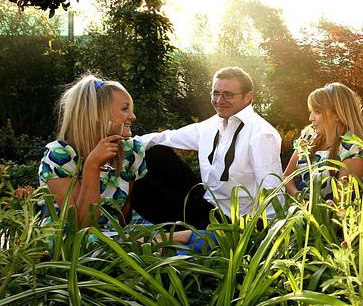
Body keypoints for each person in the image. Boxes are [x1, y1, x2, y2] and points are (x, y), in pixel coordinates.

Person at [133, 67, 283, 235]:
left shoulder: (261, 134)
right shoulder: (214, 124)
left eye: (228, 94)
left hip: (229, 221)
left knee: (140, 189)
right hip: (205, 200)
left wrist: (266, 235)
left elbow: (273, 189)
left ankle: (181, 235)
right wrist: (125, 145)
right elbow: (169, 137)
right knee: (154, 152)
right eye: (215, 93)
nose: (219, 100)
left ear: (247, 97)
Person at [38, 75, 148, 237]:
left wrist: (119, 234)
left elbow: (124, 211)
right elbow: (80, 225)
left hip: (113, 233)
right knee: (152, 247)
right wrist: (92, 166)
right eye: (125, 109)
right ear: (95, 114)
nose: (132, 116)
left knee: (159, 239)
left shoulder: (130, 151)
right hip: (70, 241)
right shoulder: (60, 156)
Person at [283, 83, 363, 199]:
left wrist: (314, 209)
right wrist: (300, 199)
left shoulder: (353, 149)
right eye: (311, 111)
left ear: (337, 114)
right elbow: (287, 176)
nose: (311, 118)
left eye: (317, 112)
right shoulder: (310, 136)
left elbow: (341, 201)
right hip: (296, 213)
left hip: (328, 216)